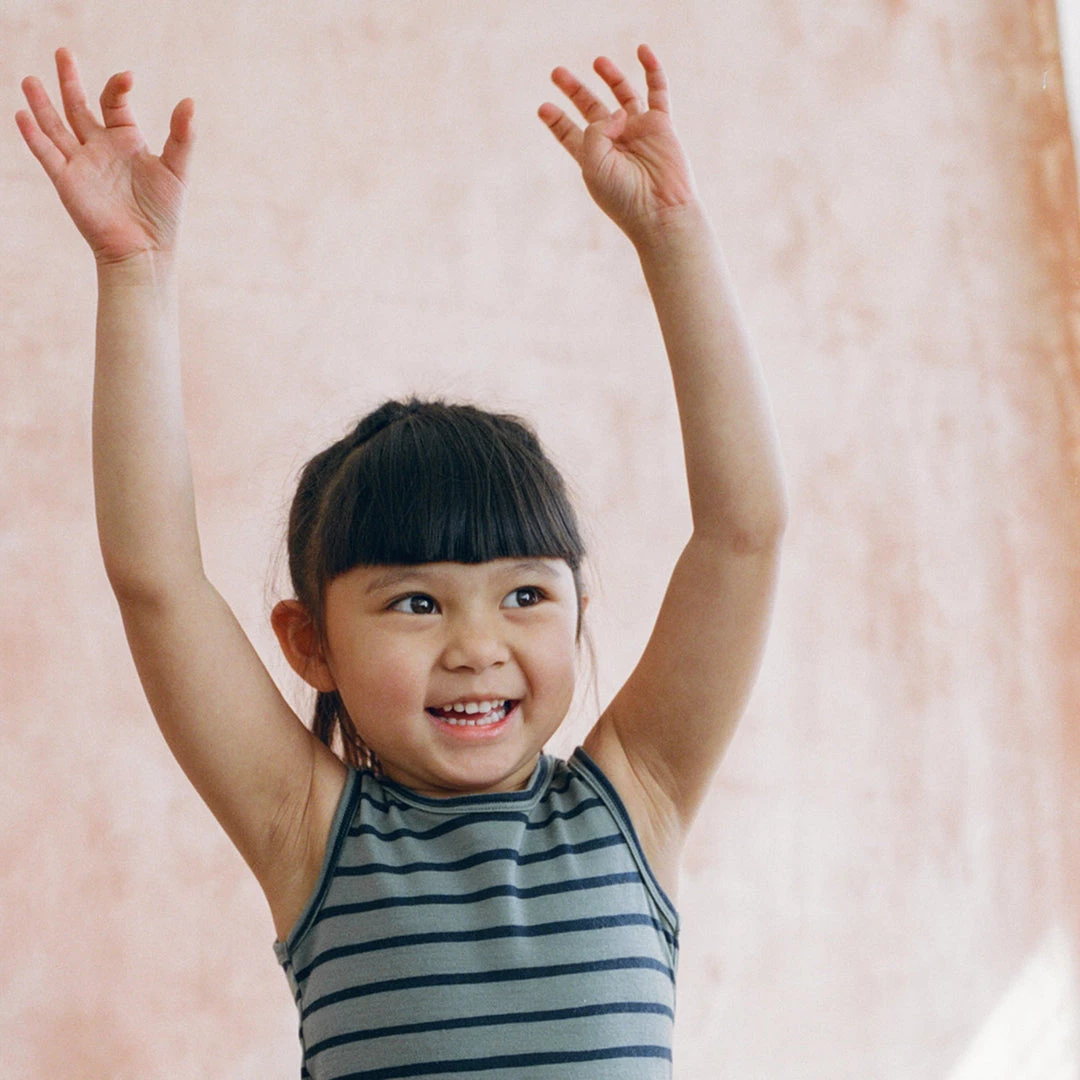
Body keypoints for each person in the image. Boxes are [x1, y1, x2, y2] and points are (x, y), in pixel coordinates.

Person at [16, 42, 787, 1079]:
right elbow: (157, 579)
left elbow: (743, 532)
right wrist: (133, 272)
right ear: (311, 644)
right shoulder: (312, 830)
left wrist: (673, 238)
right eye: (416, 603)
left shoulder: (635, 801)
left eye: (523, 595)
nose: (479, 646)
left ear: (578, 610)